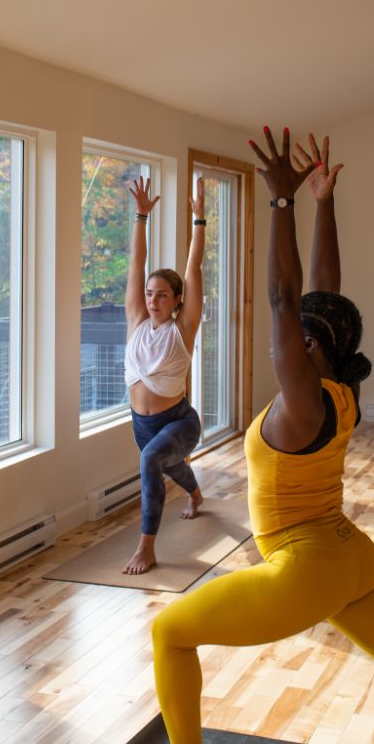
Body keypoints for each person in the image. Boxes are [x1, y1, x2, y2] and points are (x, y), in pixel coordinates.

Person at [151, 128, 374, 744]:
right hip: (352, 558)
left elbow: (286, 299)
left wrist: (282, 204)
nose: (296, 340)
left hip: (305, 568)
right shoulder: (339, 393)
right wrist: (323, 201)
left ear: (316, 351)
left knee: (168, 633)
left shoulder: (304, 404)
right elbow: (320, 294)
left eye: (305, 339)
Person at [122, 174, 206, 574]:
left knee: (154, 460)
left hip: (179, 421)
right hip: (141, 423)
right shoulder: (136, 320)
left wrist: (199, 221)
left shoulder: (182, 329)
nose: (153, 300)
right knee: (170, 467)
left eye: (162, 295)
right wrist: (141, 216)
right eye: (150, 293)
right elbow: (136, 264)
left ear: (177, 301)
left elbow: (193, 267)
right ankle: (196, 495)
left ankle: (146, 547)